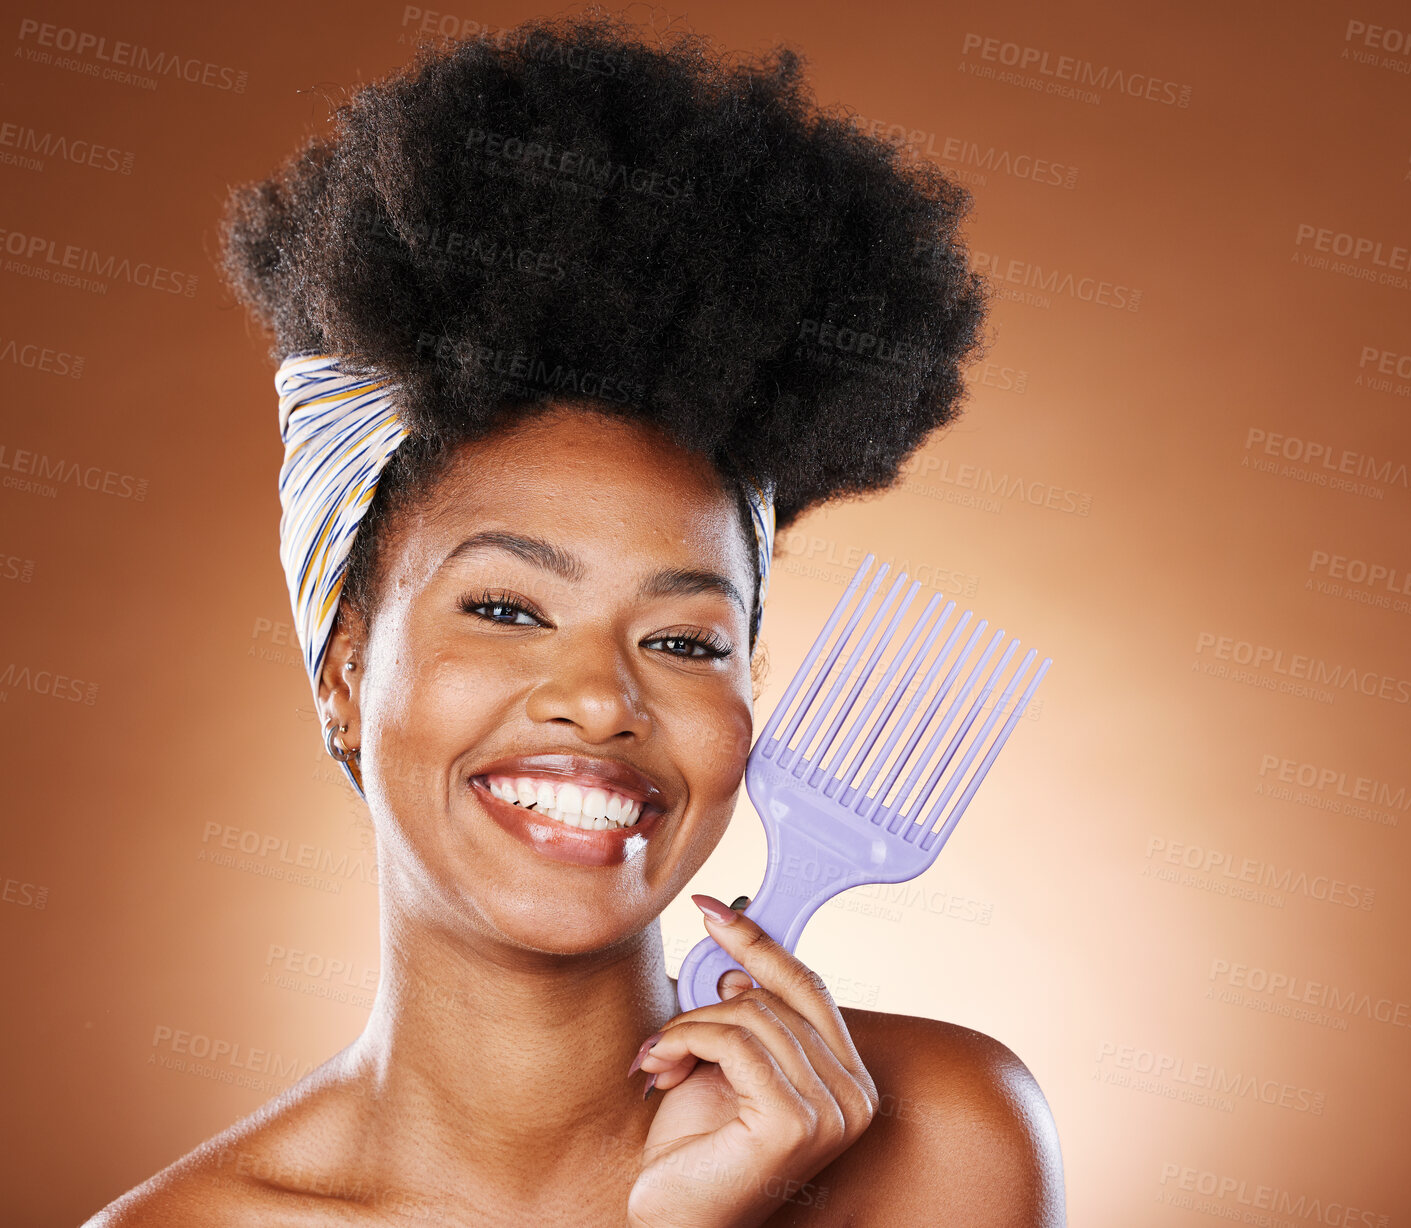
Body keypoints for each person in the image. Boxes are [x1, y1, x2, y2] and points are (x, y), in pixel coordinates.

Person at [88, 12, 1065, 1225]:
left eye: (686, 640)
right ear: (344, 670)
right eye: (506, 606)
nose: (604, 697)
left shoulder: (942, 1135)